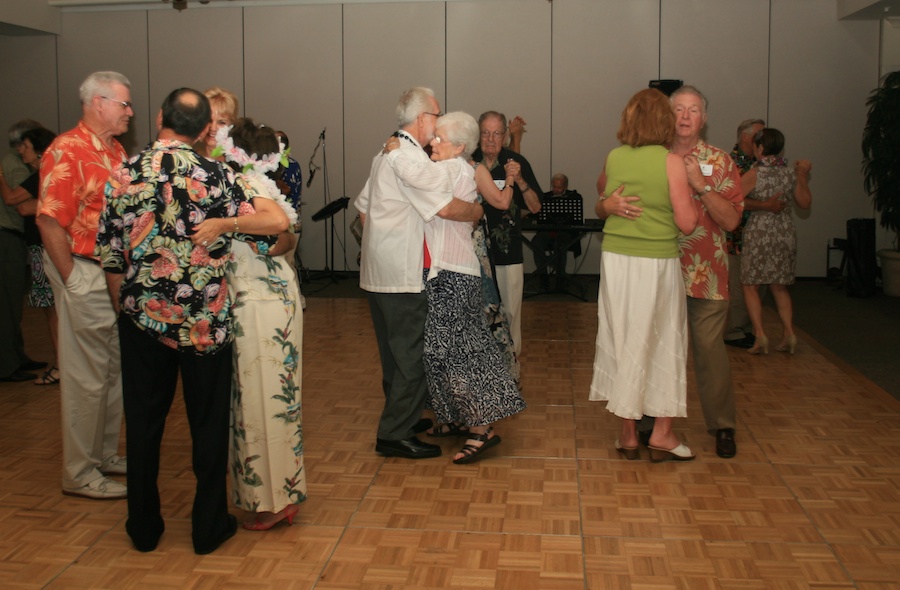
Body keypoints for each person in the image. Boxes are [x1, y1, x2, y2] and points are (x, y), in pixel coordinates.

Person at [95, 88, 287, 553]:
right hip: (205, 321)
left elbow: (111, 258)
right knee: (207, 425)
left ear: (160, 117)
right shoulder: (218, 175)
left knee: (142, 425)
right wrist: (228, 225)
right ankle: (207, 527)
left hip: (142, 320)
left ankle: (143, 527)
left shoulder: (122, 175)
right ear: (206, 129)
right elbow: (277, 223)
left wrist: (129, 308)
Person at [383, 112, 526, 464]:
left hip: (455, 272)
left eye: (440, 138)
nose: (433, 142)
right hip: (446, 272)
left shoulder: (452, 167)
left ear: (460, 146)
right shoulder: (457, 166)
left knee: (460, 352)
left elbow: (416, 174)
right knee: (439, 350)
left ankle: (481, 428)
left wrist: (395, 149)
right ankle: (454, 417)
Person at [354, 87, 483, 460]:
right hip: (403, 274)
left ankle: (405, 420)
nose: (438, 123)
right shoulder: (409, 157)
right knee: (411, 356)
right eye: (437, 115)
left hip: (377, 271)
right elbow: (445, 207)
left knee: (393, 356)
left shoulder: (386, 153)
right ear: (423, 118)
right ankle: (394, 433)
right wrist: (479, 213)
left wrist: (382, 240)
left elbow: (362, 209)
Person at [198, 118, 307, 531]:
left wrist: (224, 225)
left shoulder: (244, 185)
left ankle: (273, 501)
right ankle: (277, 495)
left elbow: (278, 225)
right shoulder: (258, 184)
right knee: (269, 401)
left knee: (263, 404)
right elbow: (285, 236)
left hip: (259, 304)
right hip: (269, 297)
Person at [36, 71, 132, 499]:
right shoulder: (67, 149)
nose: (130, 111)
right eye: (123, 104)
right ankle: (79, 472)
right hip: (85, 269)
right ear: (98, 103)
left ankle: (104, 455)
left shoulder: (114, 149)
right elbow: (48, 219)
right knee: (85, 377)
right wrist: (72, 279)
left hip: (111, 273)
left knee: (112, 372)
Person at [590, 88, 697, 462]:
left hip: (616, 261)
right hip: (654, 261)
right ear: (665, 121)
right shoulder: (671, 162)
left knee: (623, 336)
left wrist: (610, 205)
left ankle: (628, 434)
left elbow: (602, 199)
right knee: (663, 339)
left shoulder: (614, 156)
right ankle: (663, 434)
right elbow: (687, 223)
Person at [670, 85, 744, 459]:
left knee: (711, 353)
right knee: (659, 351)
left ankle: (723, 427)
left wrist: (700, 186)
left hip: (707, 273)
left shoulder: (720, 161)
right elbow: (607, 190)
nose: (685, 116)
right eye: (678, 109)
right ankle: (653, 421)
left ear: (704, 118)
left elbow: (731, 220)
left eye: (693, 110)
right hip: (660, 271)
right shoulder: (652, 156)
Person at [472, 111, 543, 356]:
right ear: (478, 135)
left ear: (504, 136)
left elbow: (535, 207)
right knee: (476, 316)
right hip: (473, 257)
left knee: (511, 314)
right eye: (485, 133)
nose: (491, 139)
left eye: (497, 133)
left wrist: (520, 180)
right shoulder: (468, 162)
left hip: (508, 252)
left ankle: (512, 371)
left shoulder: (515, 162)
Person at [740, 128, 813, 355]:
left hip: (759, 232)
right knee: (779, 286)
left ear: (760, 148)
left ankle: (760, 334)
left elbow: (734, 200)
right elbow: (804, 202)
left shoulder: (755, 173)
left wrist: (760, 205)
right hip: (784, 231)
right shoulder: (790, 172)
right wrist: (802, 175)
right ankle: (789, 333)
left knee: (751, 284)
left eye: (755, 145)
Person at [0, 127, 60, 385]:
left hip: (43, 248)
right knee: (51, 308)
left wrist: (1, 176)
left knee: (52, 310)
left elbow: (20, 204)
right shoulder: (45, 173)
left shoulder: (43, 173)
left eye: (24, 147)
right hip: (42, 248)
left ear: (37, 150)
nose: (20, 152)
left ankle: (60, 364)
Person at [724, 118, 771, 349]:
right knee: (739, 284)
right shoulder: (731, 163)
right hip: (738, 234)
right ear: (745, 137)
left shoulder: (760, 163)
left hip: (760, 234)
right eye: (759, 134)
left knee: (756, 284)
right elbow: (732, 198)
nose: (764, 139)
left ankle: (748, 329)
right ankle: (733, 331)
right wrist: (766, 206)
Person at [531, 173, 584, 290]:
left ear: (565, 186)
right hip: (547, 232)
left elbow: (576, 221)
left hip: (565, 233)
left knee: (559, 245)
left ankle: (560, 279)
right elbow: (535, 215)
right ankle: (543, 277)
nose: (556, 190)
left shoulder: (574, 198)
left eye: (559, 187)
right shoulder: (545, 197)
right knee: (536, 242)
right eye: (554, 186)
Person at [197, 86, 239, 159]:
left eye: (221, 122)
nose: (213, 128)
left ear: (232, 124)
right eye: (209, 120)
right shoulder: (189, 157)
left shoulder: (239, 162)